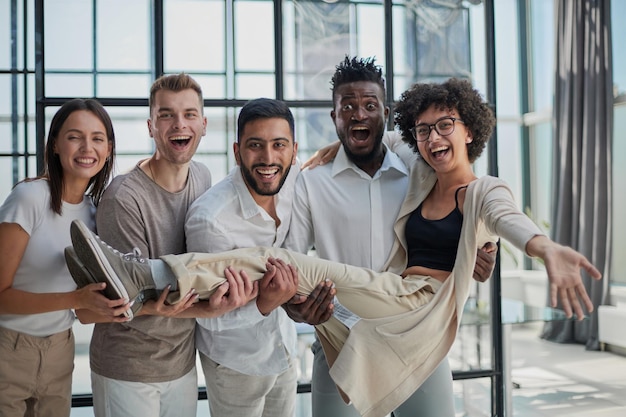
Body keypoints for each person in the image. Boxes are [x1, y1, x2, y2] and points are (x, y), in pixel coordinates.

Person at [66, 78, 599, 417]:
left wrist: (544, 247)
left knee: (287, 261)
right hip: (349, 325)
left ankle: (147, 274)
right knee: (293, 271)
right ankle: (145, 275)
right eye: (425, 129)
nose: (434, 137)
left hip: (418, 315)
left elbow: (504, 216)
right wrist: (322, 151)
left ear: (469, 131)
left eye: (446, 127)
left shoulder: (477, 187)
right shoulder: (410, 169)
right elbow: (376, 142)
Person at [284, 55, 495, 417]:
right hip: (341, 338)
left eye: (369, 105)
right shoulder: (310, 182)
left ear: (385, 112)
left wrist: (483, 251)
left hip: (417, 338)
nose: (358, 114)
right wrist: (294, 305)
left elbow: (464, 194)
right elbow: (291, 260)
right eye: (346, 107)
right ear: (334, 117)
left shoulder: (419, 167)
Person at [72, 73, 257, 417]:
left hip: (182, 363)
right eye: (166, 115)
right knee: (134, 283)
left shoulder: (202, 177)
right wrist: (207, 309)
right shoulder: (123, 197)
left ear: (203, 124)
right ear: (151, 126)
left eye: (189, 114)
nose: (178, 124)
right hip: (128, 366)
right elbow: (127, 303)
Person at [185, 98, 333, 417]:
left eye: (279, 145)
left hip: (283, 348)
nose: (268, 158)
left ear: (293, 151)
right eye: (256, 145)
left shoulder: (294, 181)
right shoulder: (210, 221)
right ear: (237, 151)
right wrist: (265, 302)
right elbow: (205, 316)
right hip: (235, 364)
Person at [0, 98, 125, 417]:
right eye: (74, 136)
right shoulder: (29, 198)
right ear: (55, 144)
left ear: (108, 148)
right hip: (8, 347)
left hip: (60, 348)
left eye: (97, 138)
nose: (87, 147)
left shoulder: (96, 215)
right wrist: (75, 297)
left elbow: (85, 311)